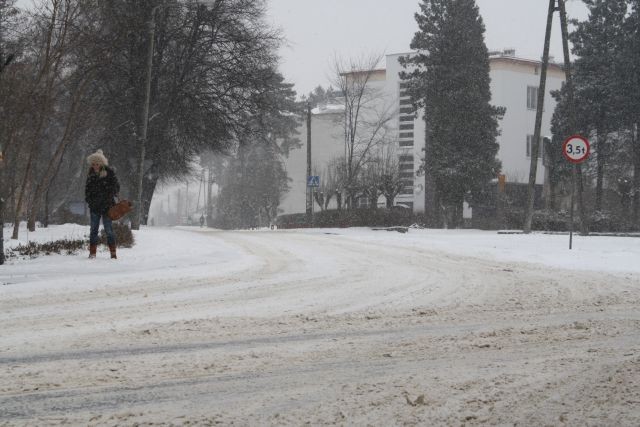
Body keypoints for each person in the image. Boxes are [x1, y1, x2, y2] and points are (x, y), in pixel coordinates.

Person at [85, 149, 120, 259]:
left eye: (97, 163)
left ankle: (113, 253)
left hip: (107, 206)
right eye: (93, 164)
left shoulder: (109, 173)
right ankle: (92, 253)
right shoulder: (90, 174)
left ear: (102, 163)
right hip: (95, 207)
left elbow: (116, 187)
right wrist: (90, 201)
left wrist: (108, 192)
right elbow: (87, 190)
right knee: (93, 230)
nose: (95, 166)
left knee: (109, 230)